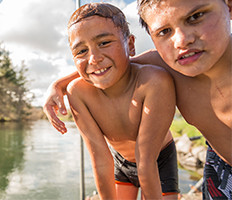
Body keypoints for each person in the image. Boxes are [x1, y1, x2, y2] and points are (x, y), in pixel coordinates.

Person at [43, 0, 232, 199]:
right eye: (164, 31)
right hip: (220, 167)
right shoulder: (168, 61)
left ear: (228, 6)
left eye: (196, 17)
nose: (182, 40)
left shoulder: (160, 73)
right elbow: (116, 66)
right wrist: (57, 85)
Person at [54, 3, 179, 200]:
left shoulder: (153, 81)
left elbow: (146, 160)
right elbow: (101, 160)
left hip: (159, 158)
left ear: (130, 45)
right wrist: (58, 84)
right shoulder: (77, 93)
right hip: (120, 161)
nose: (94, 59)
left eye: (104, 43)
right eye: (81, 51)